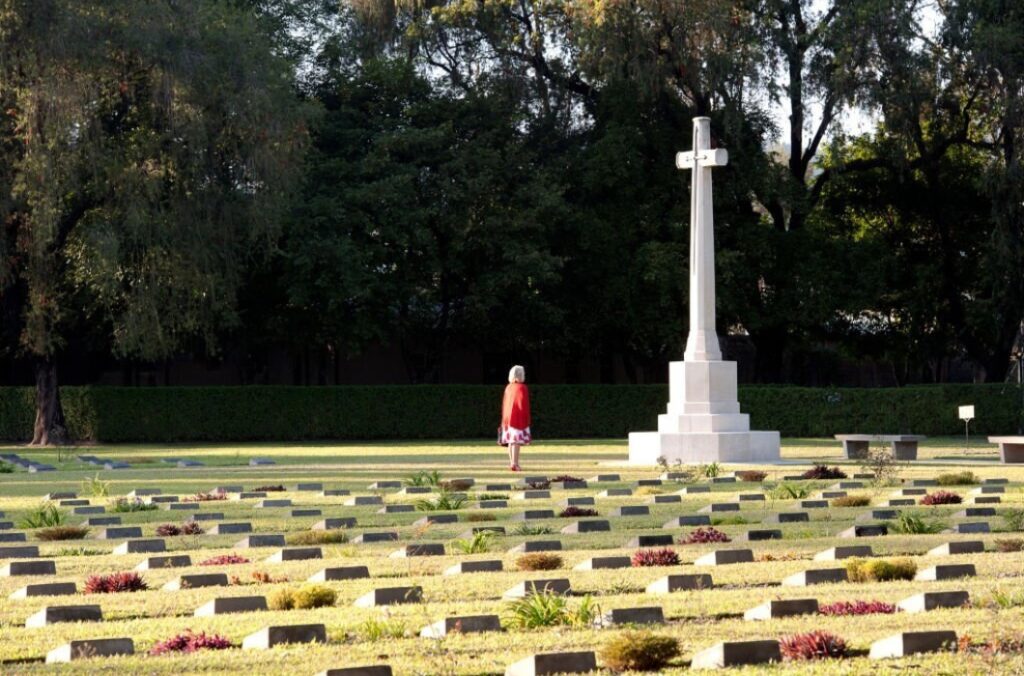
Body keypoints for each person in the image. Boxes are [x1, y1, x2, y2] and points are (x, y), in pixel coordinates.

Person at [499, 365, 531, 471]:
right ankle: (515, 463)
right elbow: (523, 404)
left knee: (510, 441)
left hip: (507, 419)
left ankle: (511, 462)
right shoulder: (522, 387)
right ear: (519, 375)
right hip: (518, 418)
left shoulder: (508, 387)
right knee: (516, 442)